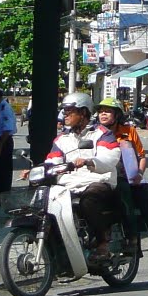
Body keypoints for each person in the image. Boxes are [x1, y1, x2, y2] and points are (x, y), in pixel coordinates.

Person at [96, 98, 148, 277]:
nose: (103, 114)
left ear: (117, 115)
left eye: (108, 111)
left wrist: (139, 175)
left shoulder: (129, 132)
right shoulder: (95, 134)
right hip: (107, 180)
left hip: (133, 180)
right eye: (101, 110)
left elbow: (141, 156)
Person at [46, 92, 122, 259]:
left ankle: (102, 243)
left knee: (89, 200)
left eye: (69, 111)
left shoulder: (102, 134)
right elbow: (52, 161)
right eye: (64, 111)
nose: (64, 115)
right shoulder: (62, 139)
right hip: (70, 184)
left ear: (83, 113)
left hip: (98, 180)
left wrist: (89, 161)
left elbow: (110, 157)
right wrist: (37, 170)